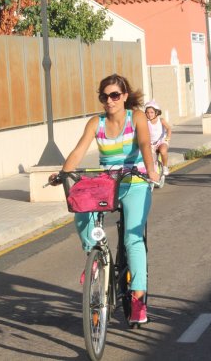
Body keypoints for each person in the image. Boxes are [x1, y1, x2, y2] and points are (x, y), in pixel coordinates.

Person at [49, 74, 159, 324]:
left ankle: (138, 298)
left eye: (115, 95)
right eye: (104, 96)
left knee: (133, 238)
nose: (109, 101)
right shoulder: (95, 123)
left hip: (135, 181)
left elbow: (144, 143)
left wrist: (150, 169)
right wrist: (64, 173)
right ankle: (96, 258)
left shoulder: (137, 117)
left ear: (124, 96)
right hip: (108, 183)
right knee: (80, 210)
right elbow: (79, 150)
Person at [144, 100, 172, 175]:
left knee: (163, 151)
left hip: (161, 141)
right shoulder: (146, 122)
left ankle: (165, 166)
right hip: (150, 143)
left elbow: (169, 128)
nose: (149, 114)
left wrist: (168, 137)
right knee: (150, 159)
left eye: (152, 112)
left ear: (156, 112)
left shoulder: (161, 120)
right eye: (147, 112)